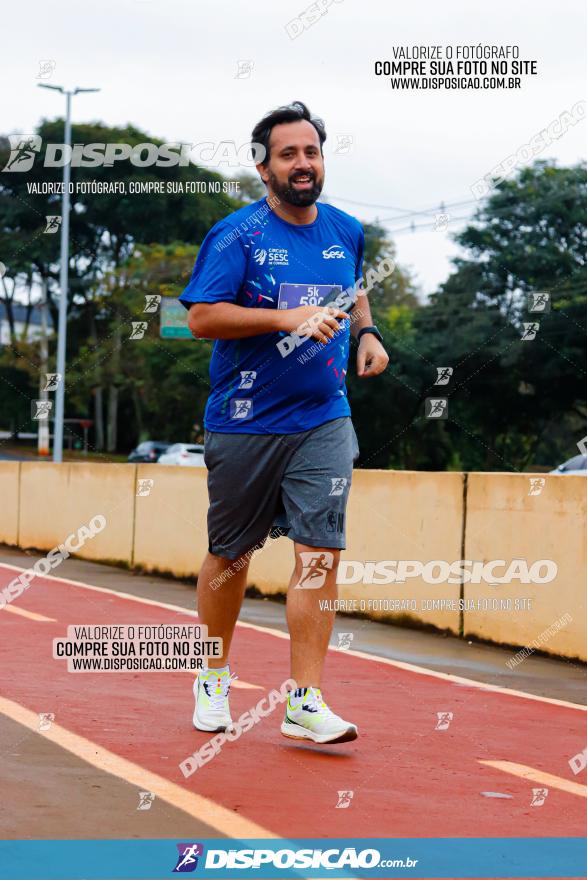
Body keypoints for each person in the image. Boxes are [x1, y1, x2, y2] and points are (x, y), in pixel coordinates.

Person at [179, 100, 389, 744]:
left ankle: (306, 699)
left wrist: (367, 332)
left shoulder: (345, 229)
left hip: (324, 414)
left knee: (320, 553)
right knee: (231, 554)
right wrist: (281, 319)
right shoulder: (236, 235)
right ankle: (212, 676)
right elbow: (202, 318)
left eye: (312, 152)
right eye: (289, 154)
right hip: (245, 418)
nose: (304, 164)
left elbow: (353, 287)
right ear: (263, 166)